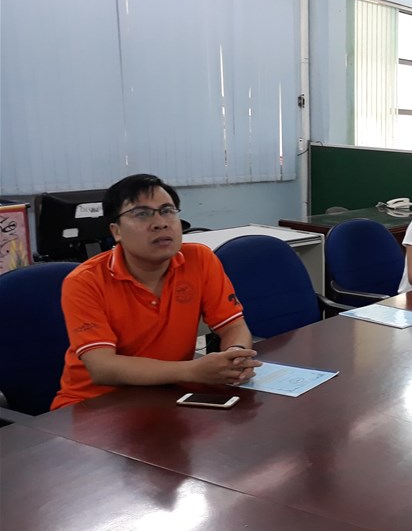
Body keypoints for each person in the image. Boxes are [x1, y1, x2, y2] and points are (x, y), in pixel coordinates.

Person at [52, 174, 261, 410]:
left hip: (169, 395)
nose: (160, 223)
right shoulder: (85, 282)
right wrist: (192, 370)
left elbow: (233, 326)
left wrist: (235, 356)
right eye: (142, 214)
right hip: (96, 405)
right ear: (116, 231)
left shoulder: (200, 259)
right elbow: (103, 368)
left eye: (167, 211)